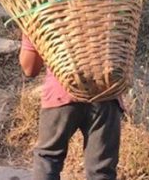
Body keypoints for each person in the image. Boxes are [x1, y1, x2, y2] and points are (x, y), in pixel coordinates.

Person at [19, 34, 123, 180]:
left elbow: (30, 69)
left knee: (47, 160)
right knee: (101, 172)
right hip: (105, 94)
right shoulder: (111, 11)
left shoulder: (42, 12)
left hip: (61, 92)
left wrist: (30, 33)